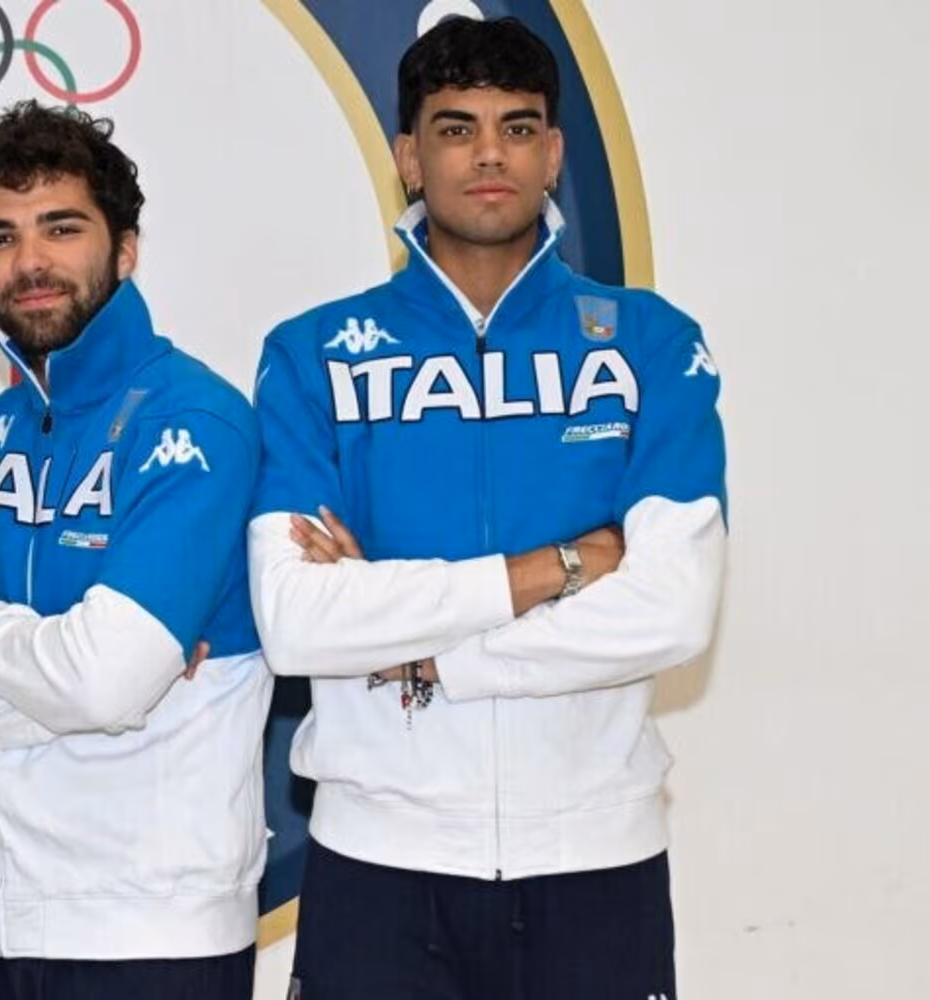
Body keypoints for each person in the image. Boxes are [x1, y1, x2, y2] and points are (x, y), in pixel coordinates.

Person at [249, 16, 727, 999]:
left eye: (518, 127)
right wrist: (561, 567)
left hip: (596, 860)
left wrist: (430, 656)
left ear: (553, 155)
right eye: (456, 128)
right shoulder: (312, 354)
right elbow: (298, 622)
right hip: (377, 862)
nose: (490, 154)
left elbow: (674, 608)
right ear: (409, 159)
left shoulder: (648, 342)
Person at [0, 101, 270, 1000]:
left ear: (125, 249)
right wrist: (63, 665)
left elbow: (105, 681)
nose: (30, 261)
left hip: (159, 932)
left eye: (62, 227)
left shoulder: (198, 419)